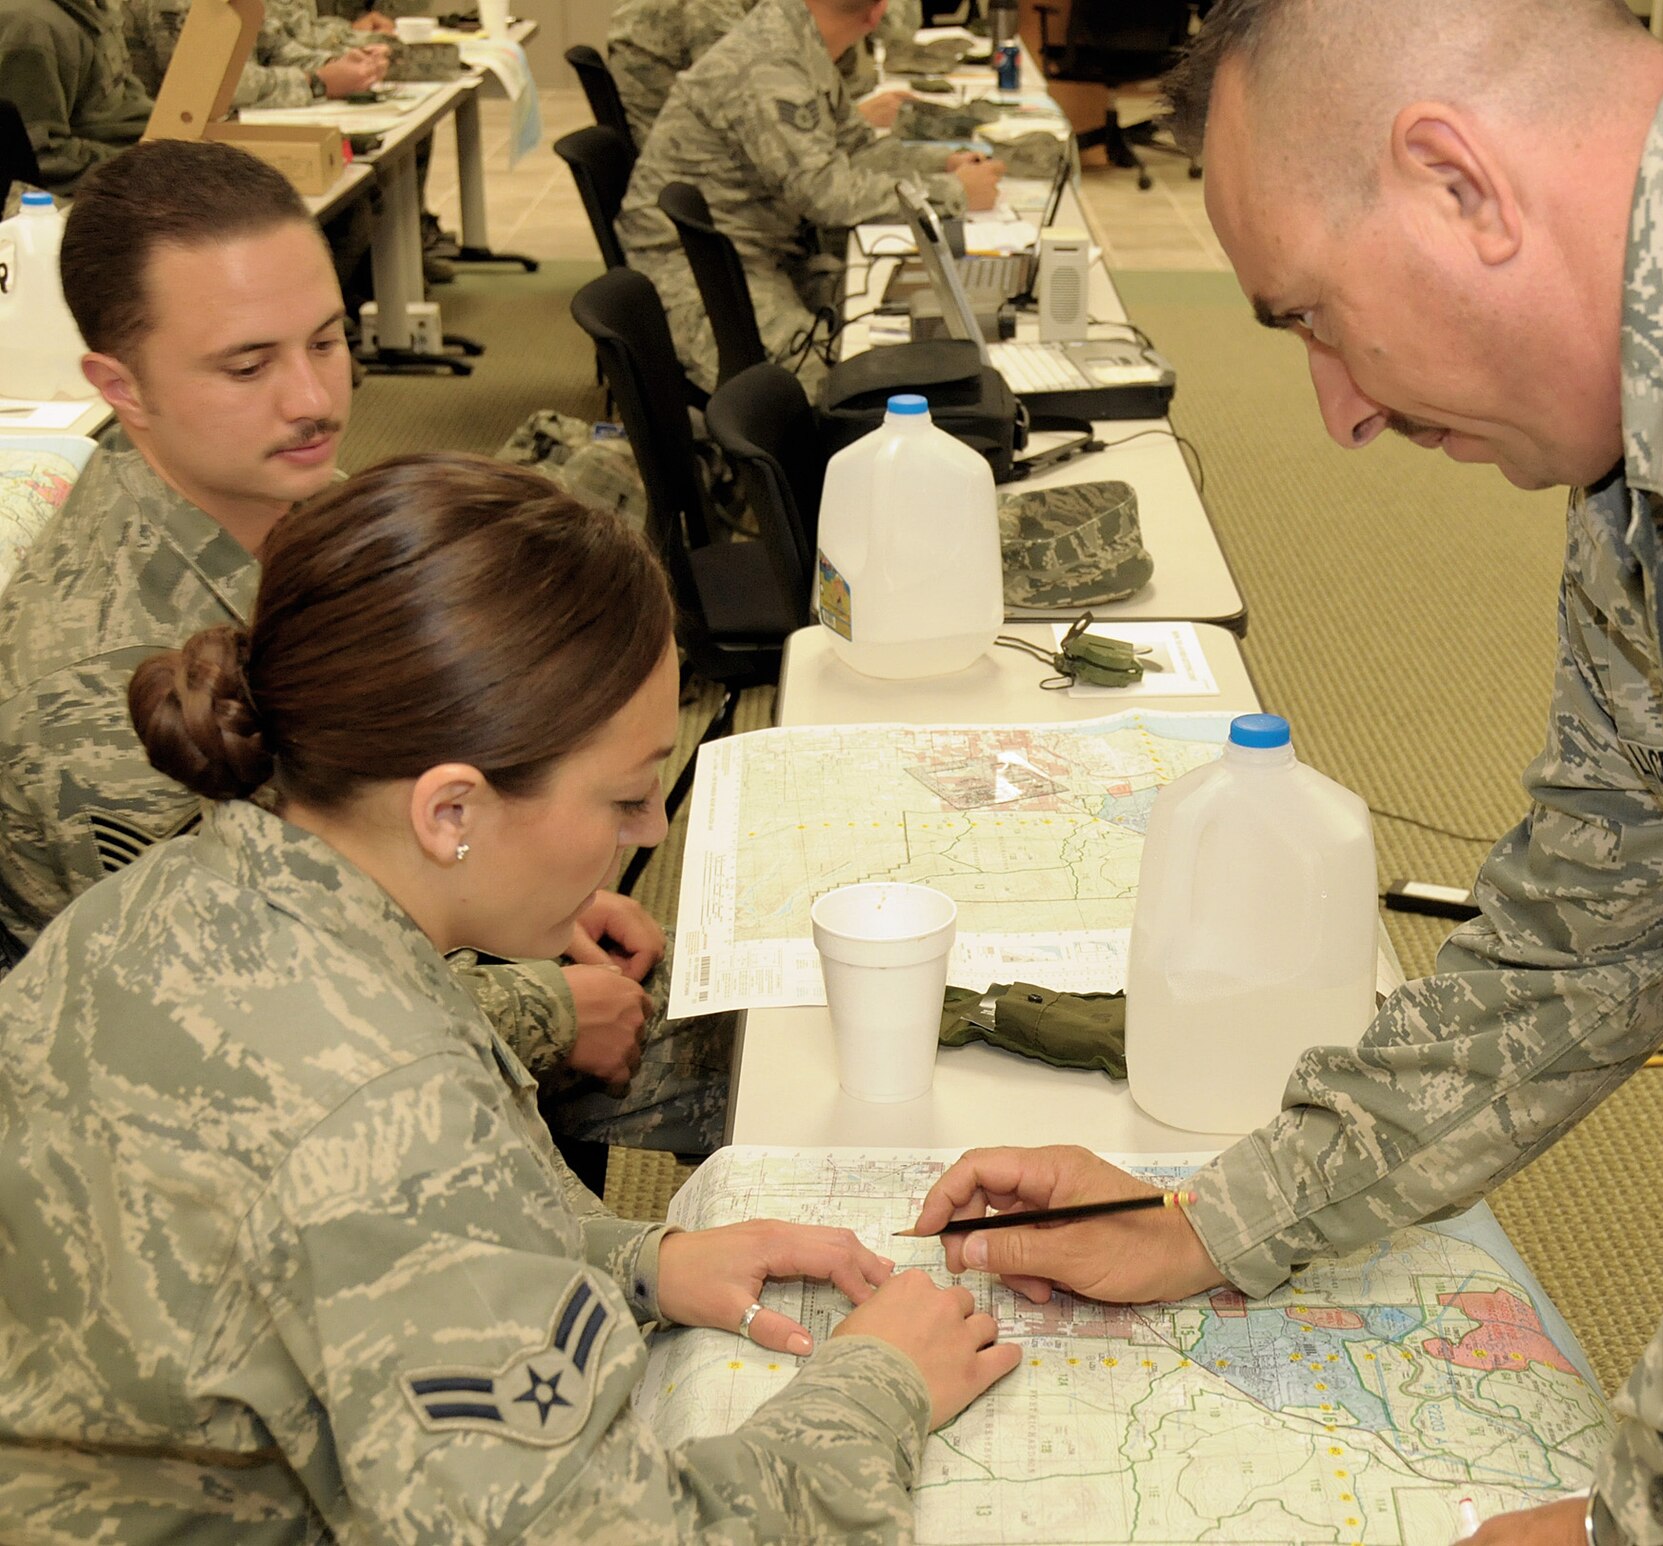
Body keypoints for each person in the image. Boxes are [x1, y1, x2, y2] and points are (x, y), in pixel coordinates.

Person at [908, 4, 1663, 1545]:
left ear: (1458, 185)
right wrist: (1214, 1219)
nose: (1340, 416)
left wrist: (1656, 1527)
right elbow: (1579, 935)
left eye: (1316, 322)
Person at [0, 453, 1021, 1538]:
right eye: (626, 796)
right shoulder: (386, 1105)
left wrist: (636, 1261)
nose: (650, 835)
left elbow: (330, 1259)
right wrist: (877, 1385)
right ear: (451, 812)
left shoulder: (184, 893)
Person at [0, 140, 720, 1157]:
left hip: (416, 943)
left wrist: (542, 886)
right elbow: (228, 1020)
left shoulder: (291, 502)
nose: (311, 400)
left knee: (754, 998)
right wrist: (544, 1006)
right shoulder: (85, 687)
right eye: (248, 364)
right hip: (250, 1115)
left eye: (329, 341)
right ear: (119, 385)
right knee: (759, 1080)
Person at [615, 0, 1003, 394]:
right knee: (840, 388)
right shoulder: (770, 64)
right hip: (698, 276)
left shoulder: (798, 38)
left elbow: (857, 150)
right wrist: (953, 194)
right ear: (877, 14)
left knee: (904, 331)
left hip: (757, 255)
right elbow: (824, 194)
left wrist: (944, 163)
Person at [608, 0, 920, 146]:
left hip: (716, 163)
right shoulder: (704, 7)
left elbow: (896, 25)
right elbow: (750, 105)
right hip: (697, 193)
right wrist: (854, 119)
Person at [0, 0, 151, 196]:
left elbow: (127, 100)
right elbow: (35, 158)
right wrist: (145, 169)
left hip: (134, 156)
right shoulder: (31, 26)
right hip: (82, 194)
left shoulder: (88, 9)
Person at [127, 0, 391, 109]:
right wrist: (318, 81)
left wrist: (350, 64)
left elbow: (276, 47)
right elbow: (215, 88)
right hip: (165, 152)